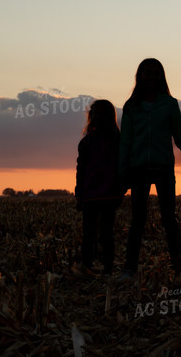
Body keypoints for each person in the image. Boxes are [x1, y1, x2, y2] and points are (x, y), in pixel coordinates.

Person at [119, 58, 181, 278]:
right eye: (147, 73)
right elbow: (125, 141)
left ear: (161, 77)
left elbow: (179, 135)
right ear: (140, 77)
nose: (151, 77)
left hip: (163, 168)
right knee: (137, 221)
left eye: (155, 73)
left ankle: (177, 265)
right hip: (138, 170)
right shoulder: (131, 107)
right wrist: (122, 172)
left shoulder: (170, 104)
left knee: (169, 219)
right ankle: (129, 267)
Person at [75, 99, 123, 274]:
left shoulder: (118, 142)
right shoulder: (86, 143)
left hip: (109, 194)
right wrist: (79, 194)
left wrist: (121, 189)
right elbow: (81, 170)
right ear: (92, 117)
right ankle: (87, 266)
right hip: (90, 195)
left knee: (106, 233)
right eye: (97, 113)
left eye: (104, 113)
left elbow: (122, 168)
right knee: (89, 234)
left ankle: (107, 267)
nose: (100, 117)